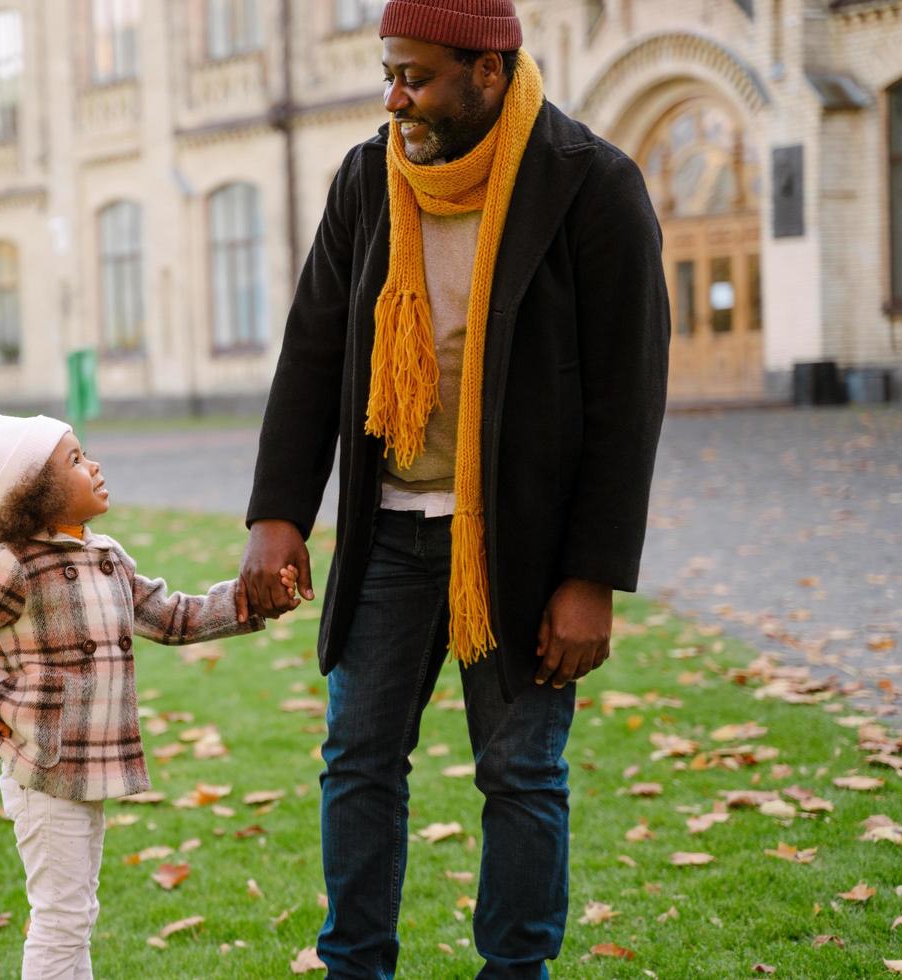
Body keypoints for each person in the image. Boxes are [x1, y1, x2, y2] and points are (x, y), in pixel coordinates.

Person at [236, 1, 670, 976]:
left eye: (417, 76)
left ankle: (515, 971)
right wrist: (276, 515)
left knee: (520, 773)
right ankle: (356, 965)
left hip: (521, 547)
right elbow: (313, 354)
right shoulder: (366, 179)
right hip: (387, 532)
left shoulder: (591, 184)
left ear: (486, 70)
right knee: (356, 763)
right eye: (388, 74)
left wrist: (591, 575)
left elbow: (625, 399)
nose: (396, 99)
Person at [0, 402, 274, 979]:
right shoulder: (12, 565)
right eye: (75, 459)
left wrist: (250, 599)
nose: (95, 465)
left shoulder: (105, 556)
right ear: (34, 492)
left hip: (89, 763)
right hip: (42, 765)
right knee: (60, 916)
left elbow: (172, 616)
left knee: (75, 913)